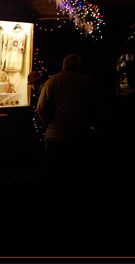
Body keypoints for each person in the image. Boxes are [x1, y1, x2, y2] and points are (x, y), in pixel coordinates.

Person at [35, 53, 98, 182]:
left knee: (54, 175)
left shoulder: (54, 80)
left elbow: (41, 107)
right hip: (81, 135)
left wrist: (49, 125)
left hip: (57, 136)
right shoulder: (88, 82)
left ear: (64, 65)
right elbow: (95, 107)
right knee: (77, 174)